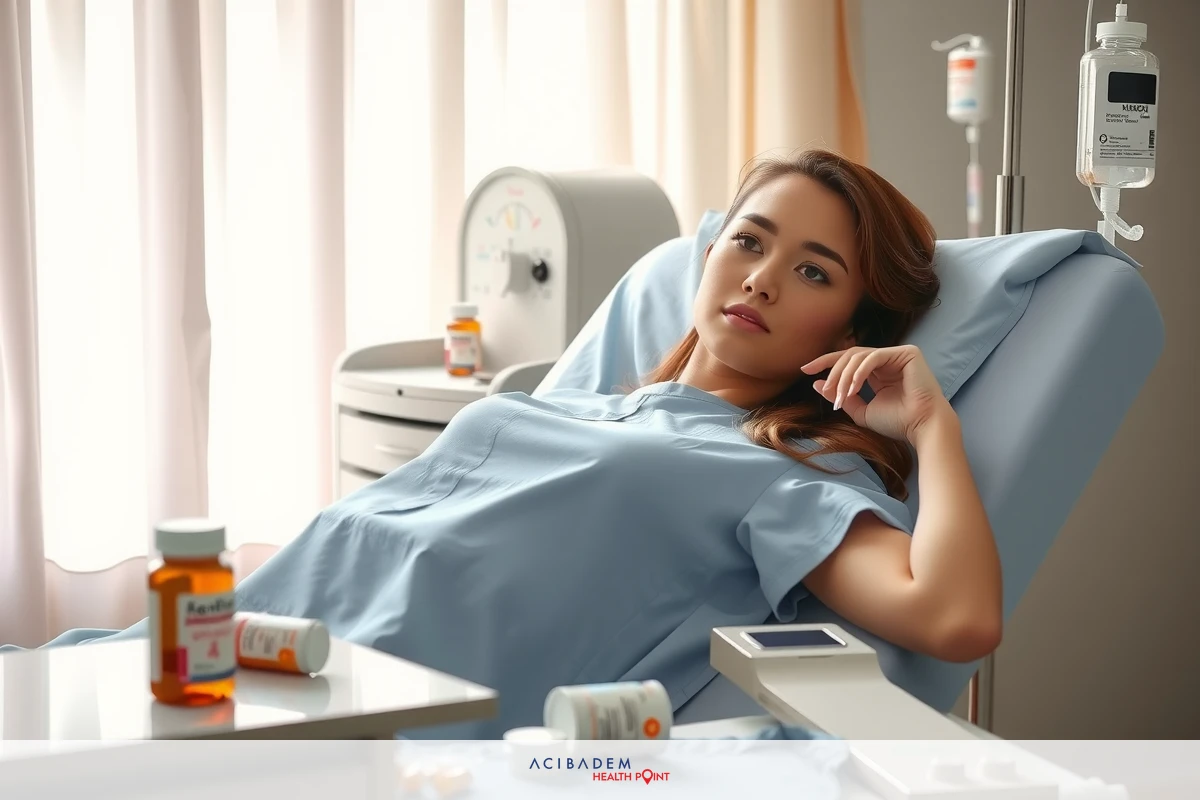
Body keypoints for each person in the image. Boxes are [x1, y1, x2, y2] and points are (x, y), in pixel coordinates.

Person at [9, 149, 1004, 739]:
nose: (760, 278)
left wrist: (931, 423)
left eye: (814, 270)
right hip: (226, 646)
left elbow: (954, 617)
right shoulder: (592, 403)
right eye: (748, 240)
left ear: (850, 329)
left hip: (356, 709)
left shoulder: (775, 471)